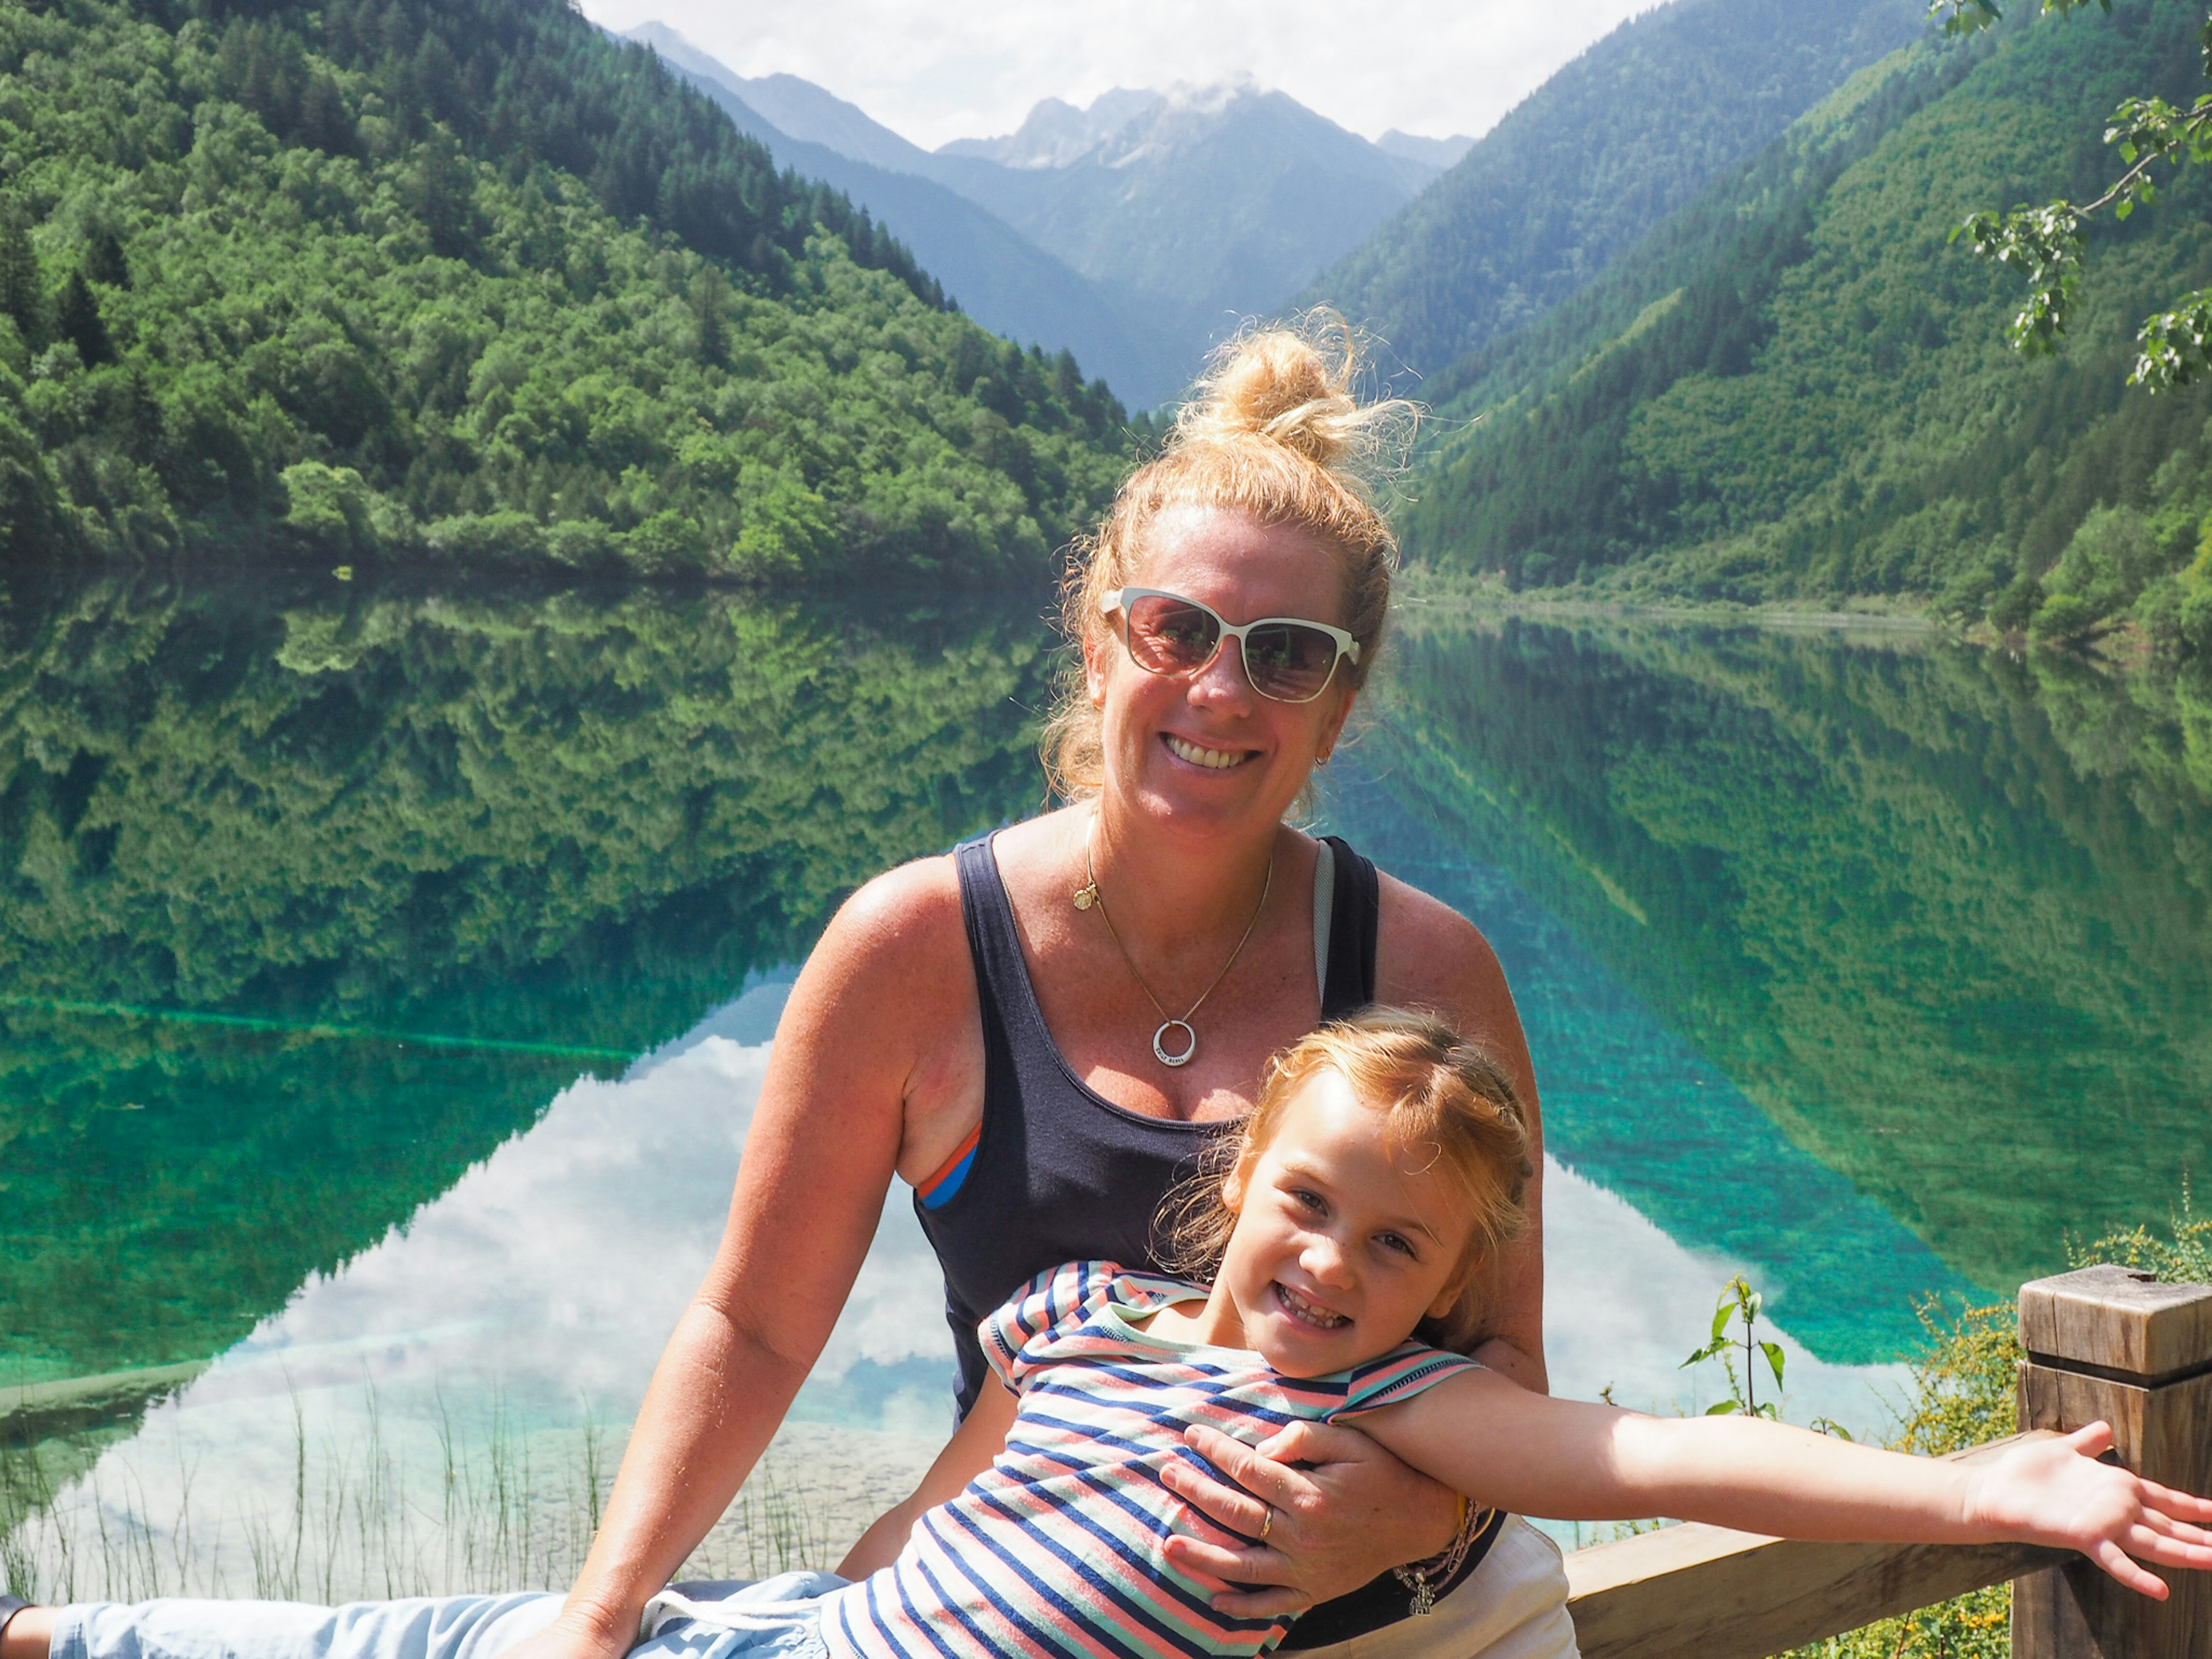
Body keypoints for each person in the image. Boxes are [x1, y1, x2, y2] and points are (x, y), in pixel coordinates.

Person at [1, 319, 1563, 1659]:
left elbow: (1508, 1371)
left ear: (1342, 703)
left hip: (1417, 1631)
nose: (1222, 689)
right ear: (1100, 647)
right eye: (1179, 630)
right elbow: (753, 1328)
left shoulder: (1419, 974)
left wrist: (1406, 1516)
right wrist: (603, 1618)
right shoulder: (913, 950)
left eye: (1286, 655)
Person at [19, 1010, 2210, 1659]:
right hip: (761, 1643)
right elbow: (918, 1531)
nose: (1332, 1267)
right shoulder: (1074, 1310)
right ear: (1243, 1179)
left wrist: (1970, 1485)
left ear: (1445, 1287)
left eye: (1392, 1248)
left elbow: (1656, 1463)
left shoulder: (1415, 1412)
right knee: (382, 1645)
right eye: (1310, 1208)